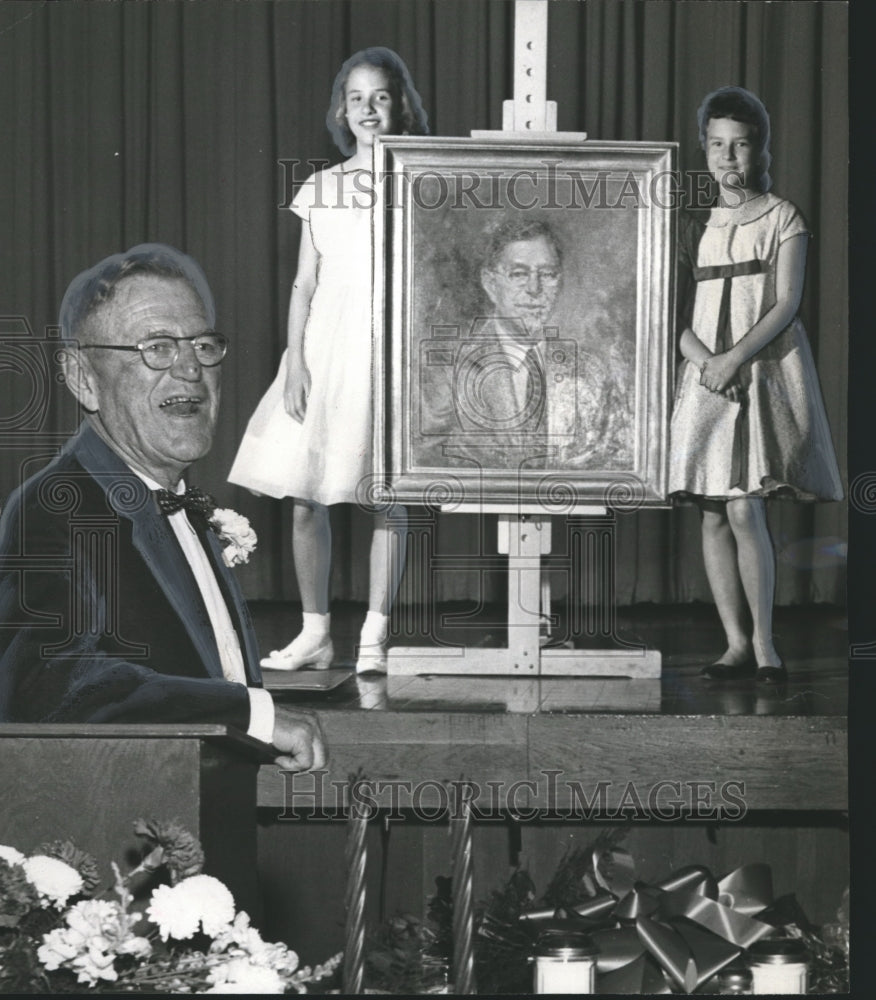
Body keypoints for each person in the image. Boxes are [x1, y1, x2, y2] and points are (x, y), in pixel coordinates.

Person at [0, 244, 327, 772]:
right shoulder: (56, 505)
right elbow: (49, 681)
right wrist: (251, 714)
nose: (190, 369)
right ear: (84, 377)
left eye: (202, 344)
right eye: (156, 347)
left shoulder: (178, 499)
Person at [229, 47, 428, 674]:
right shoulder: (321, 186)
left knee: (385, 493)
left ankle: (375, 633)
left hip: (387, 348)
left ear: (400, 107)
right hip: (323, 351)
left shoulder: (422, 182)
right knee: (307, 496)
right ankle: (316, 631)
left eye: (381, 97)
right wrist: (295, 363)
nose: (369, 109)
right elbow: (305, 286)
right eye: (357, 98)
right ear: (341, 110)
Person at [668, 86, 843, 683]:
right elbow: (671, 312)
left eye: (739, 145)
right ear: (704, 149)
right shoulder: (694, 223)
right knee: (713, 511)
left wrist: (733, 360)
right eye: (717, 145)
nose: (728, 157)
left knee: (745, 508)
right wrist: (703, 362)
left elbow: (787, 302)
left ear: (757, 149)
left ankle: (766, 644)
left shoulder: (781, 216)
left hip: (758, 370)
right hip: (705, 375)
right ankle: (734, 644)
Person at [417, 217, 633, 471]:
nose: (534, 288)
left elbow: (617, 460)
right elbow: (423, 463)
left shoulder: (590, 371)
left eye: (548, 274)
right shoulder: (446, 367)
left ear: (560, 280)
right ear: (490, 283)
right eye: (519, 274)